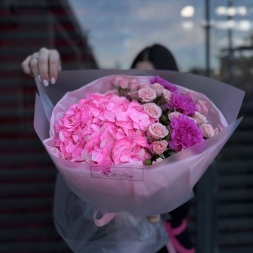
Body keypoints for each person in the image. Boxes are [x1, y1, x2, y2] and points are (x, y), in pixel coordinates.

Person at [21, 44, 195, 253]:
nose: (145, 85)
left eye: (152, 78)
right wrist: (47, 68)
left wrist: (152, 202)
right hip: (113, 238)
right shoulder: (118, 112)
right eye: (138, 75)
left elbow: (183, 203)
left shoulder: (186, 132)